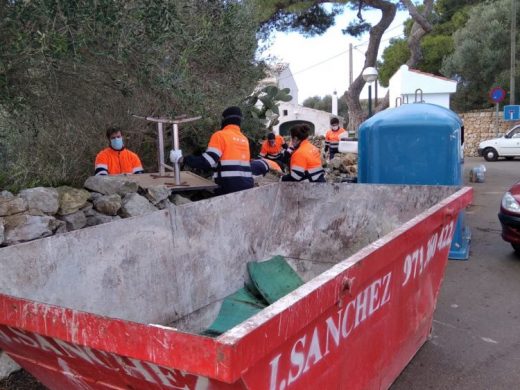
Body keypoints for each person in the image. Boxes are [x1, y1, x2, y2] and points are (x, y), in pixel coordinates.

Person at [172, 106, 253, 195]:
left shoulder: (220, 135)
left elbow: (207, 162)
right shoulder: (244, 139)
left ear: (224, 119)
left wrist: (182, 159)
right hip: (247, 186)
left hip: (228, 188)